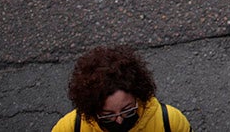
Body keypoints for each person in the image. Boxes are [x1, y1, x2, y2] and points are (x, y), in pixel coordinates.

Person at [52, 45, 192, 132]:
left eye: (127, 110)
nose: (119, 120)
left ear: (138, 96)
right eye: (108, 115)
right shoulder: (70, 128)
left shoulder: (170, 122)